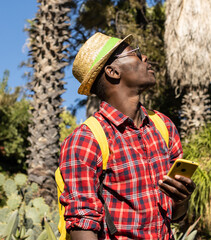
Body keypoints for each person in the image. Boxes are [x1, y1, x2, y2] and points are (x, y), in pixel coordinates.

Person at [59, 32, 196, 240]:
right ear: (113, 71)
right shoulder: (87, 140)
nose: (145, 58)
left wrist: (181, 200)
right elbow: (82, 226)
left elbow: (176, 217)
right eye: (136, 53)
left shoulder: (163, 126)